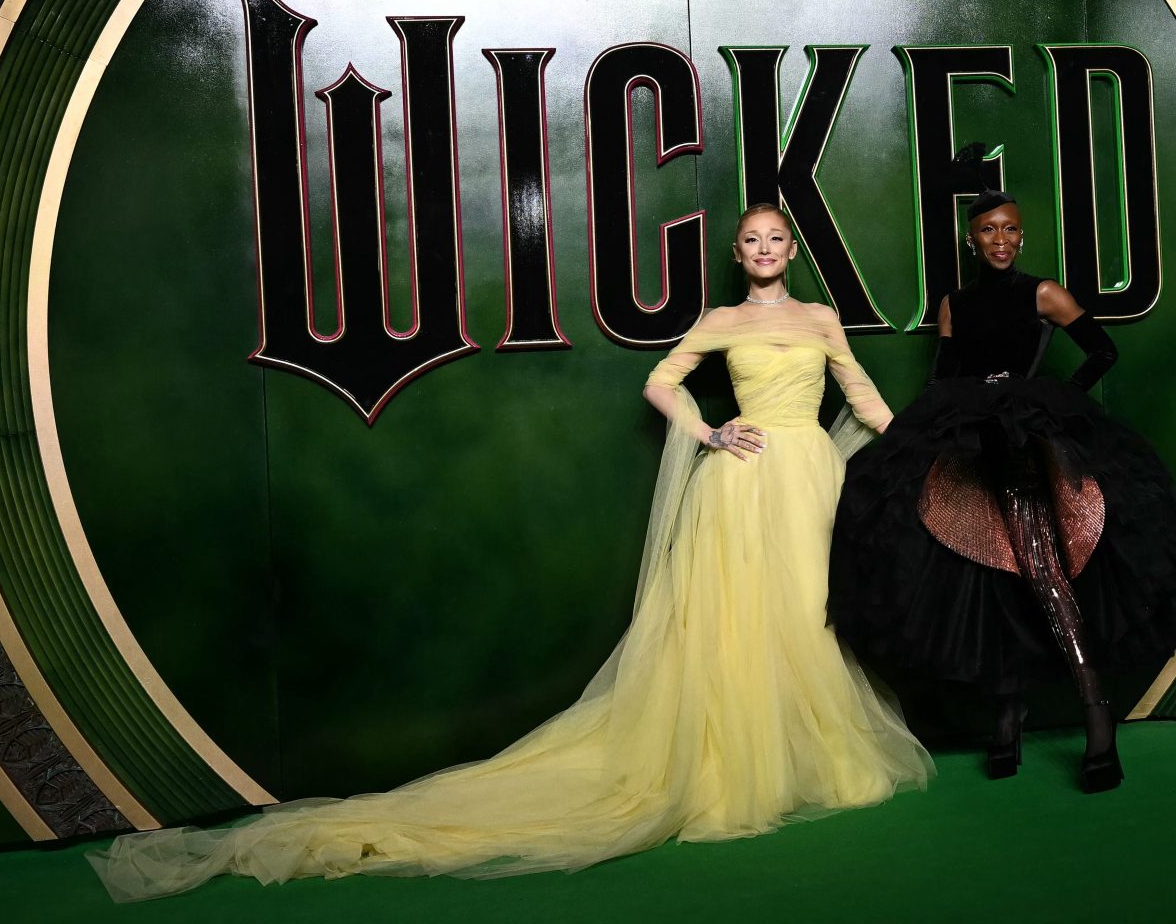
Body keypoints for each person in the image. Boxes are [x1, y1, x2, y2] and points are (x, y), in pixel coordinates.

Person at [88, 205, 932, 901]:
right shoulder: (719, 320)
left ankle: (800, 757)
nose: (761, 252)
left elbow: (863, 397)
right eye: (749, 242)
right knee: (739, 624)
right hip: (744, 484)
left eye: (774, 241)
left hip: (808, 479)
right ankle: (738, 767)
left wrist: (925, 450)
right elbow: (660, 381)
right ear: (738, 254)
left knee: (807, 614)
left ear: (791, 249)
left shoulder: (821, 320)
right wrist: (708, 430)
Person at [827, 150, 1176, 793]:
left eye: (1011, 228)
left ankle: (1096, 716)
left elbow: (1102, 350)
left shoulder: (1043, 291)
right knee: (984, 568)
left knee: (1038, 562)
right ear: (971, 239)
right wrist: (946, 421)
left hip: (1024, 443)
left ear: (1022, 234)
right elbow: (943, 379)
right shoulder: (956, 302)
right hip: (968, 441)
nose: (1001, 240)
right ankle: (1007, 714)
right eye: (989, 230)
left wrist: (1049, 402)